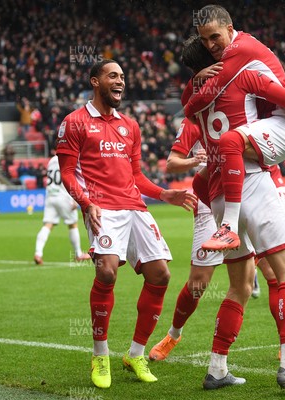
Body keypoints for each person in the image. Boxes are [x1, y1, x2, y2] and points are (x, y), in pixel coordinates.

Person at [184, 8, 285, 393]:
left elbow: (188, 104)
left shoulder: (196, 102)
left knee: (238, 287)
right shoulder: (242, 73)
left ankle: (216, 368)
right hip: (251, 183)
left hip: (219, 192)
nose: (216, 48)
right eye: (209, 43)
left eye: (216, 39)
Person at [56, 59, 196, 389]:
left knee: (160, 274)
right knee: (106, 270)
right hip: (101, 207)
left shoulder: (130, 125)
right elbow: (66, 172)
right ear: (96, 81)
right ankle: (100, 355)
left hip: (134, 207)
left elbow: (136, 176)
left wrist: (165, 194)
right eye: (113, 76)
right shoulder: (74, 122)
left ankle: (135, 353)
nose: (121, 81)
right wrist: (85, 202)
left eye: (123, 76)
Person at [148, 117, 285, 363]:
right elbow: (172, 164)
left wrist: (284, 144)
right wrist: (196, 160)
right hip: (213, 197)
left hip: (254, 187)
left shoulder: (252, 105)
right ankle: (173, 335)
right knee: (199, 283)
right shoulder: (197, 114)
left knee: (273, 272)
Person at [182, 13, 285, 252]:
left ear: (230, 29)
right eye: (204, 40)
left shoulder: (239, 50)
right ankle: (246, 242)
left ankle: (229, 227)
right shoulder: (236, 56)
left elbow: (197, 101)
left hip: (282, 124)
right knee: (200, 182)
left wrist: (191, 91)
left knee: (230, 141)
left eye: (214, 37)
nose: (210, 45)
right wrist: (194, 85)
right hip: (266, 127)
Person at [33, 155, 90, 265]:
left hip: (50, 195)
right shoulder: (68, 158)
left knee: (47, 225)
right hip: (64, 197)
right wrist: (75, 199)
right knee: (73, 225)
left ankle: (38, 253)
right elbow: (72, 178)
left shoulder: (51, 161)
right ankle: (78, 254)